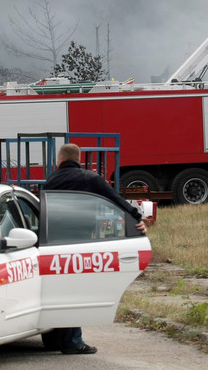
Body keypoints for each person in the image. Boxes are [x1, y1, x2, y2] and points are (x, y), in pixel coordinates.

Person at [44, 143, 147, 355]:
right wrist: (136, 219)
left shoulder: (50, 181)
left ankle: (56, 339)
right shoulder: (90, 179)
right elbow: (116, 201)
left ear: (60, 161)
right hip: (80, 243)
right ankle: (73, 341)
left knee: (60, 290)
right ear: (79, 160)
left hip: (52, 242)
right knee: (76, 291)